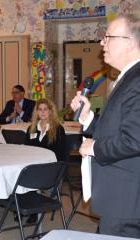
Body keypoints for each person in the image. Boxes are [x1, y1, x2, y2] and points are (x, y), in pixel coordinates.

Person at [70, 14, 140, 238]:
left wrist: (94, 148)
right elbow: (119, 129)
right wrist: (88, 116)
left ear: (130, 43)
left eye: (108, 37)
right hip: (121, 196)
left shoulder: (137, 80)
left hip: (127, 199)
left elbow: (134, 140)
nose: (102, 43)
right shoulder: (129, 77)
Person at [25, 98, 66, 162]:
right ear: (37, 112)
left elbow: (61, 154)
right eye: (40, 109)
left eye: (45, 109)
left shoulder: (58, 129)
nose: (42, 112)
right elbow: (26, 149)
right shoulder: (31, 129)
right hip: (33, 164)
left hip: (51, 165)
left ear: (50, 111)